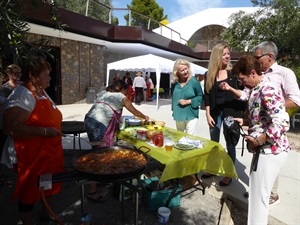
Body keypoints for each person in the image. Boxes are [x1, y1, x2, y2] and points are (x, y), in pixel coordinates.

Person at [220, 41, 300, 204]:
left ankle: (272, 194)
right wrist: (247, 116)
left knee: (270, 163)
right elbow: (247, 96)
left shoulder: (284, 73)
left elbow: (296, 101)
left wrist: (269, 105)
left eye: (257, 57)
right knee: (259, 167)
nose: (255, 61)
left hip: (272, 131)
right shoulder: (256, 74)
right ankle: (260, 191)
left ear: (269, 56)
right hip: (257, 129)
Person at [2, 58, 65, 225]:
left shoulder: (41, 91)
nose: (50, 79)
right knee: (29, 191)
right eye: (46, 75)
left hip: (48, 154)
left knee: (47, 185)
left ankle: (46, 213)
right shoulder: (22, 95)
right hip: (32, 156)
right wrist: (45, 131)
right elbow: (10, 128)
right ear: (32, 75)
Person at [232, 55, 290, 225]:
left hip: (270, 152)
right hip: (263, 151)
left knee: (259, 199)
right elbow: (264, 118)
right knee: (257, 196)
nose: (241, 83)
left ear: (252, 73)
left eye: (242, 79)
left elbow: (282, 121)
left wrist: (258, 141)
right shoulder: (256, 89)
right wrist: (245, 122)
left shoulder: (267, 89)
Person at [84, 79, 149, 200]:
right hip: (99, 124)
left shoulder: (104, 93)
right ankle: (92, 191)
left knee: (96, 151)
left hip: (89, 120)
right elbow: (134, 111)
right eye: (127, 91)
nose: (127, 93)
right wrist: (145, 117)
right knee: (100, 155)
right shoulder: (121, 97)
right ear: (123, 89)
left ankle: (100, 178)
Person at [202, 43, 246, 186]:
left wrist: (230, 88)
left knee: (230, 144)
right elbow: (207, 96)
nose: (227, 56)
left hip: (231, 113)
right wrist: (207, 114)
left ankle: (229, 173)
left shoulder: (233, 74)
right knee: (214, 144)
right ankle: (213, 169)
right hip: (215, 112)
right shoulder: (209, 74)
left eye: (228, 53)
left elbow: (243, 94)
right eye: (224, 54)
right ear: (217, 56)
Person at [0, 64, 22, 186]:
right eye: (15, 73)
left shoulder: (23, 86)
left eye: (19, 72)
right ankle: (5, 175)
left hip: (21, 122)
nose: (18, 75)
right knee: (5, 148)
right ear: (9, 74)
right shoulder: (4, 89)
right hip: (8, 123)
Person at [171, 58, 203, 135]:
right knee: (180, 137)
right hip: (178, 114)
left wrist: (188, 101)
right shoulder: (174, 83)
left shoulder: (194, 82)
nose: (185, 71)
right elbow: (174, 98)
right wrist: (174, 110)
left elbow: (200, 96)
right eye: (182, 70)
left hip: (191, 113)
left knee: (190, 138)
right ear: (177, 72)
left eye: (186, 68)